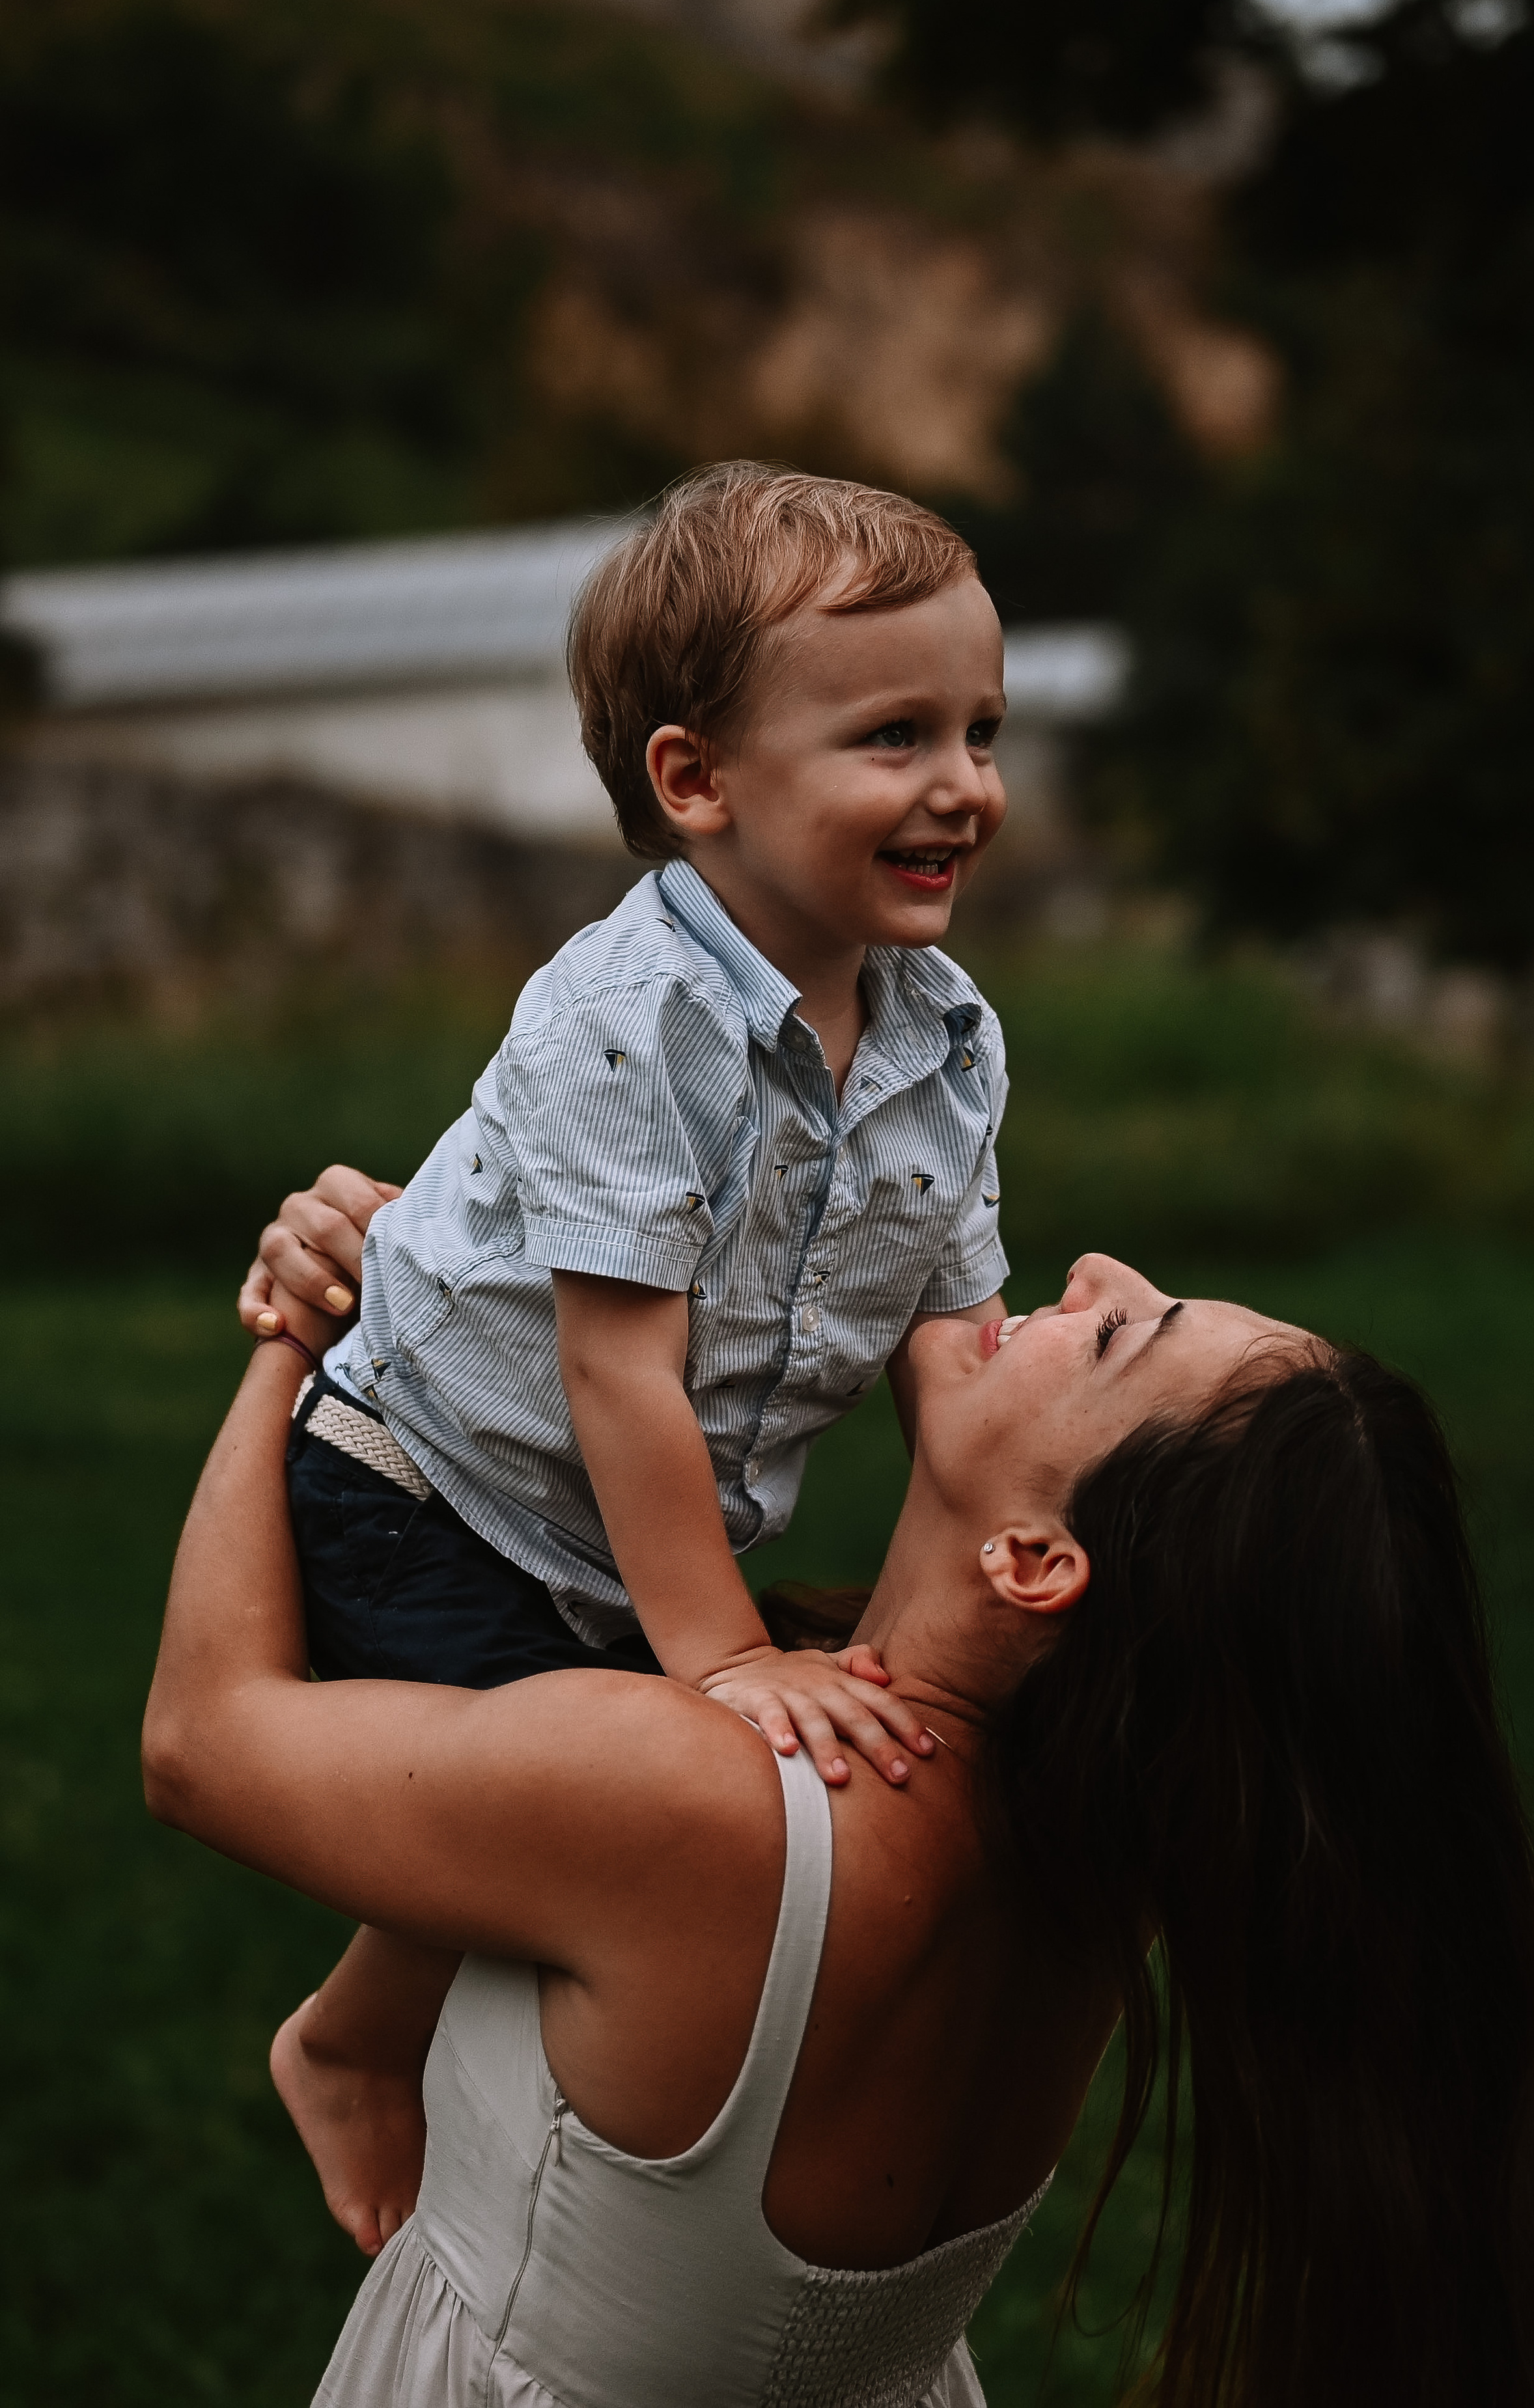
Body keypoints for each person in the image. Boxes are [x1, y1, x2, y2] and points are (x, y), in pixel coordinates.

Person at [148, 1228, 1534, 2408]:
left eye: (1116, 1335)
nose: (1094, 1269)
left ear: (1035, 1561)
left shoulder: (705, 1811)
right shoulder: (1096, 1868)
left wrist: (303, 1347)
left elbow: (202, 1742)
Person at [249, 464, 1014, 2250]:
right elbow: (616, 1377)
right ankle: (350, 2047)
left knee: (636, 1796)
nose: (964, 785)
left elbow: (955, 1344)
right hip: (433, 1482)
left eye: (983, 727)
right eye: (895, 735)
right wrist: (728, 1660)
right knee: (576, 1799)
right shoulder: (628, 1018)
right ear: (697, 781)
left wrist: (941, 1622)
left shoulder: (948, 1035)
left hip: (622, 1524)